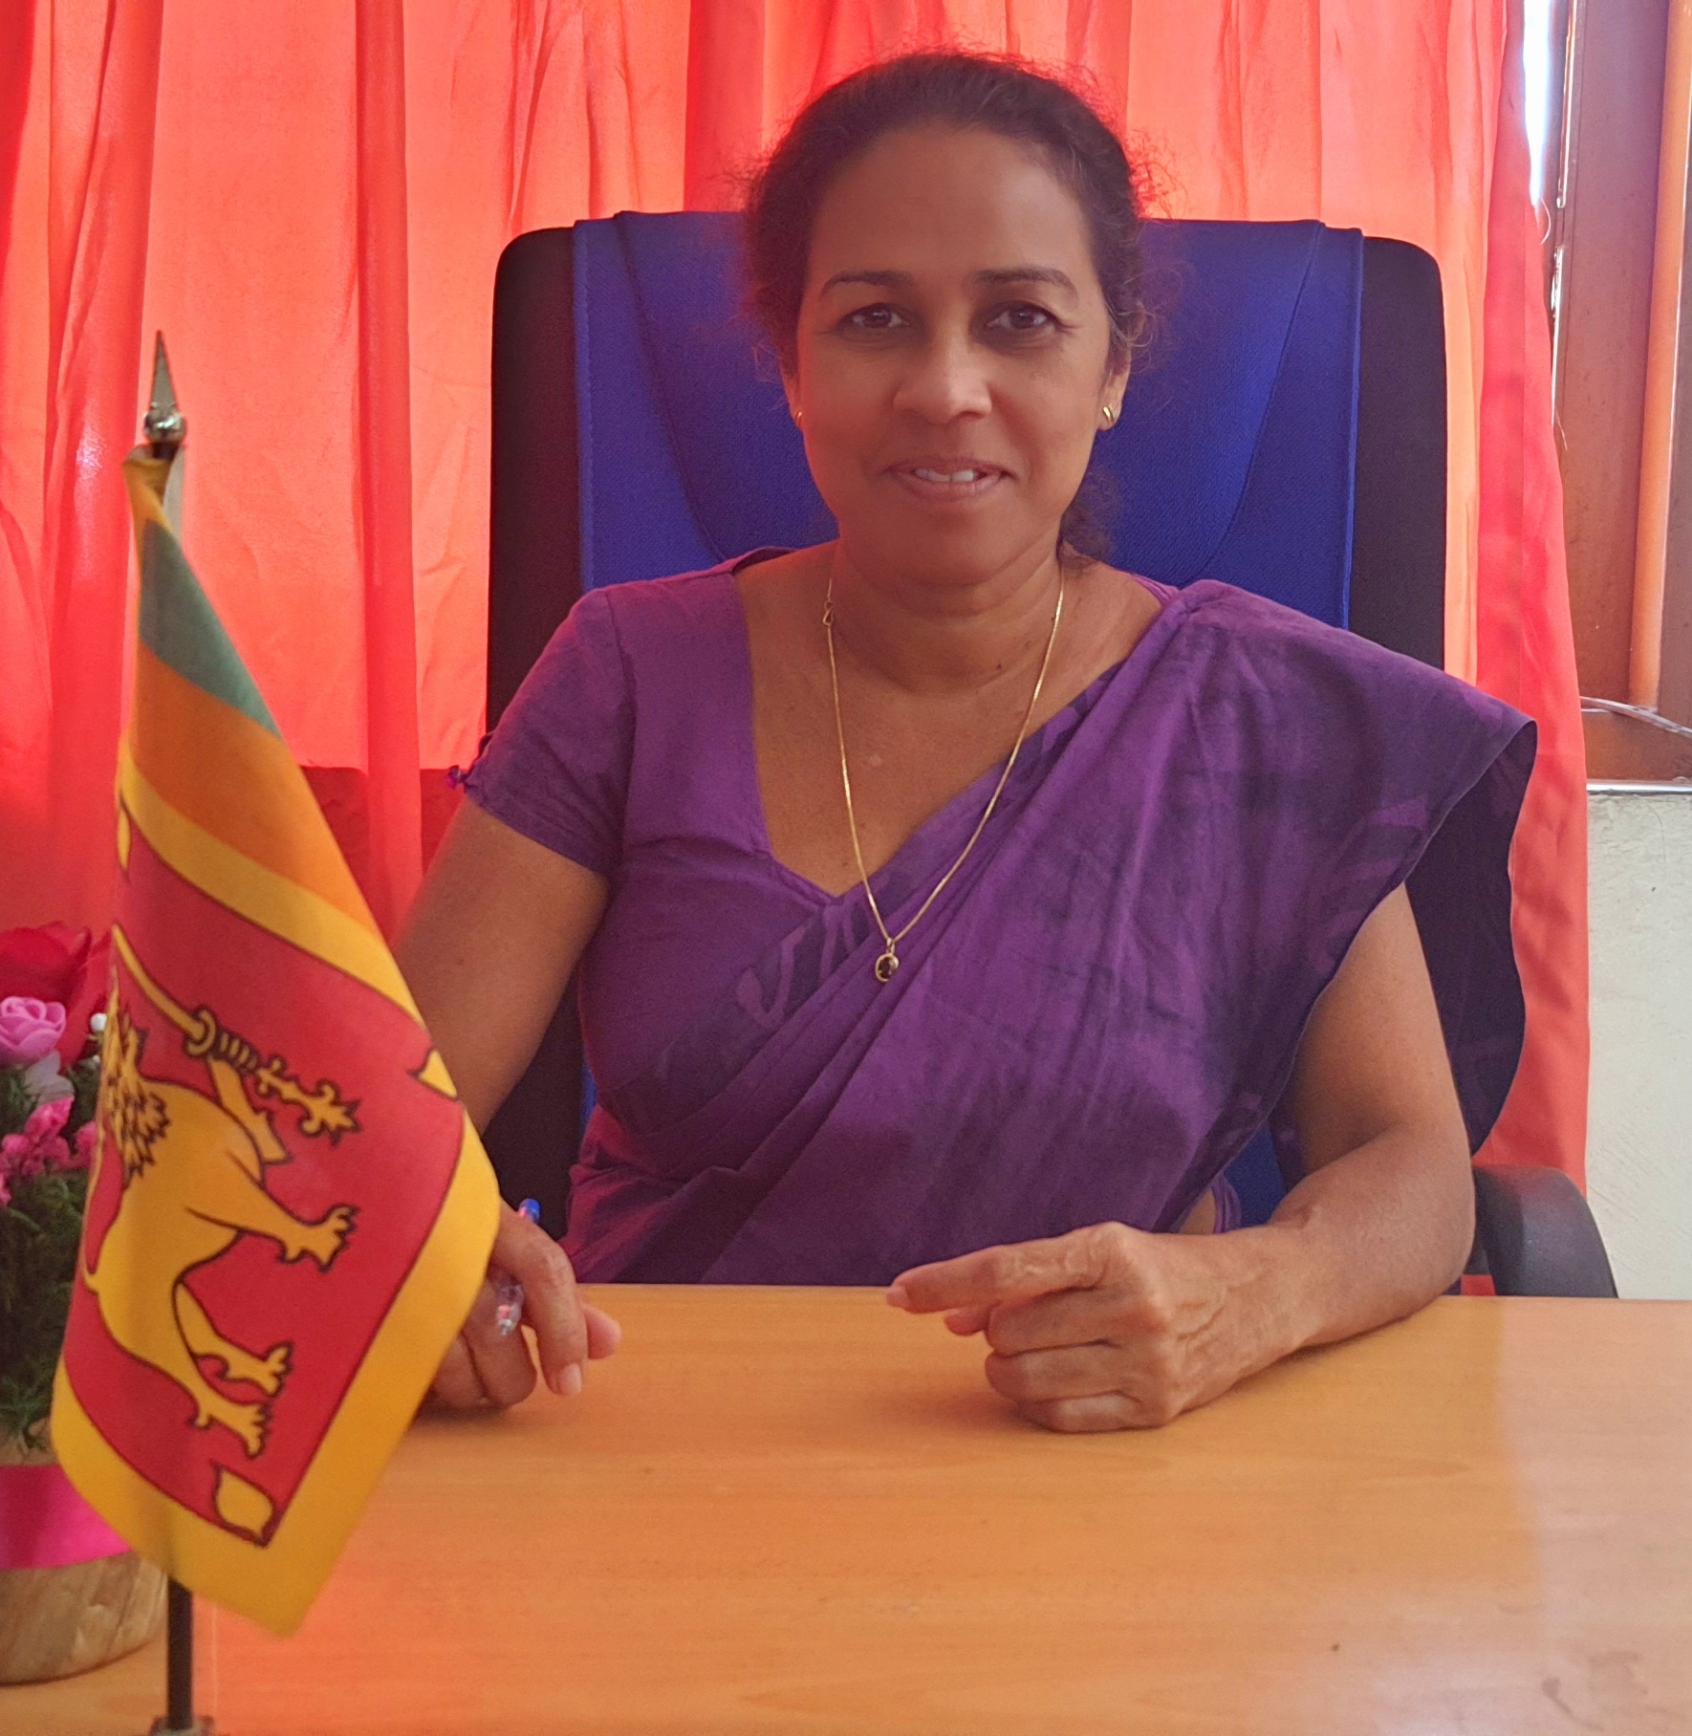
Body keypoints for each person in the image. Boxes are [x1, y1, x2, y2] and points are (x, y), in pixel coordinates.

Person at [400, 52, 1534, 1433]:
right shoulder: (624, 675)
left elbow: (1408, 1164)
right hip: (664, 1442)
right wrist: (426, 1243)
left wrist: (1253, 1297)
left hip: (1116, 1457)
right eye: (875, 318)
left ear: (1113, 367)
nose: (945, 386)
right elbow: (379, 1120)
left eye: (1020, 321)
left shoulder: (1264, 717)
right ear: (793, 365)